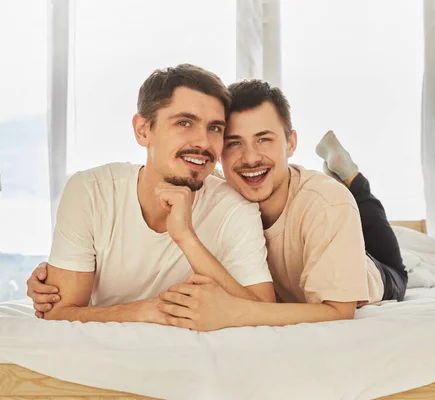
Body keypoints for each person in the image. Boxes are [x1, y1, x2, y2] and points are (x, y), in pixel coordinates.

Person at [28, 78, 407, 331]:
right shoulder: (214, 182)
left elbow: (338, 313)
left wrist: (236, 312)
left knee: (381, 242)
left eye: (264, 140)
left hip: (370, 272)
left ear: (291, 143)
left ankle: (352, 175)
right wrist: (53, 275)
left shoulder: (325, 205)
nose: (249, 157)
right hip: (288, 282)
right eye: (232, 142)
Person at [25, 65, 275, 323]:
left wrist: (186, 237)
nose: (203, 142)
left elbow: (264, 312)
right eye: (184, 123)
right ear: (143, 130)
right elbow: (57, 313)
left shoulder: (234, 206)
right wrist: (144, 311)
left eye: (214, 128)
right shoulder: (91, 191)